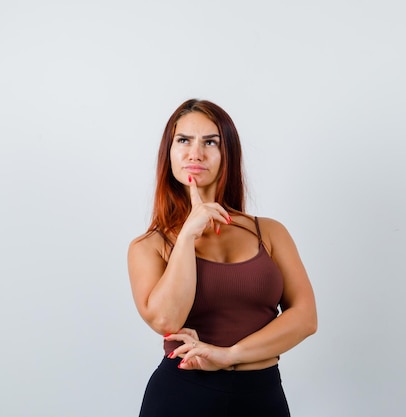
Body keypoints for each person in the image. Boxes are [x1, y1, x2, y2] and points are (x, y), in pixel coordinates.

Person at [127, 99, 317, 416]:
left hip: (263, 398)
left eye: (210, 142)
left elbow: (306, 318)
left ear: (226, 153)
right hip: (182, 398)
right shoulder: (149, 246)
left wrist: (229, 354)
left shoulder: (268, 233)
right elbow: (166, 321)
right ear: (169, 153)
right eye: (183, 140)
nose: (195, 153)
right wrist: (187, 234)